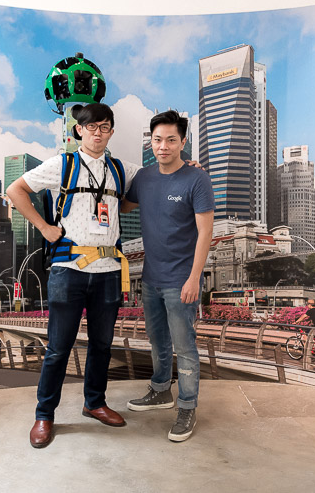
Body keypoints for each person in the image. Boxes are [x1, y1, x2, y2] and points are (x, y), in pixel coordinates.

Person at [7, 103, 140, 449]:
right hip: (69, 271)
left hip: (109, 271)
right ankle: (44, 415)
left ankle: (94, 402)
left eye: (105, 127)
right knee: (57, 349)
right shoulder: (62, 165)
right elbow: (14, 191)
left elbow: (153, 182)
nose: (98, 132)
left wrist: (188, 166)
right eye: (92, 126)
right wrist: (44, 227)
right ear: (78, 131)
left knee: (101, 345)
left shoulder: (119, 169)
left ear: (112, 132)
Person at [123, 110, 214, 442]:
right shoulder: (145, 178)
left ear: (183, 142)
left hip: (181, 280)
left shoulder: (196, 179)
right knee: (157, 341)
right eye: (157, 139)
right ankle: (161, 390)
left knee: (185, 346)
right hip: (150, 279)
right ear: (151, 141)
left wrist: (194, 278)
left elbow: (205, 233)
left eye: (171, 140)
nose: (163, 146)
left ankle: (187, 407)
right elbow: (122, 206)